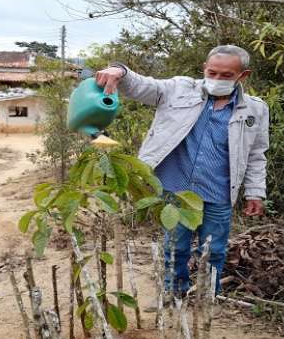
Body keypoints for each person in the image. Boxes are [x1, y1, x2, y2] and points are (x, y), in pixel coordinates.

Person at [94, 45, 269, 307]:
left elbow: (256, 154)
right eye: (213, 72)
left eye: (226, 75)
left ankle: (206, 299)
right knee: (175, 248)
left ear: (242, 76)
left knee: (215, 251)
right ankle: (173, 295)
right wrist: (120, 71)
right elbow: (142, 86)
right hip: (175, 188)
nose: (218, 79)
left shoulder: (255, 109)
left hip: (218, 191)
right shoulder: (178, 89)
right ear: (204, 69)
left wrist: (255, 192)